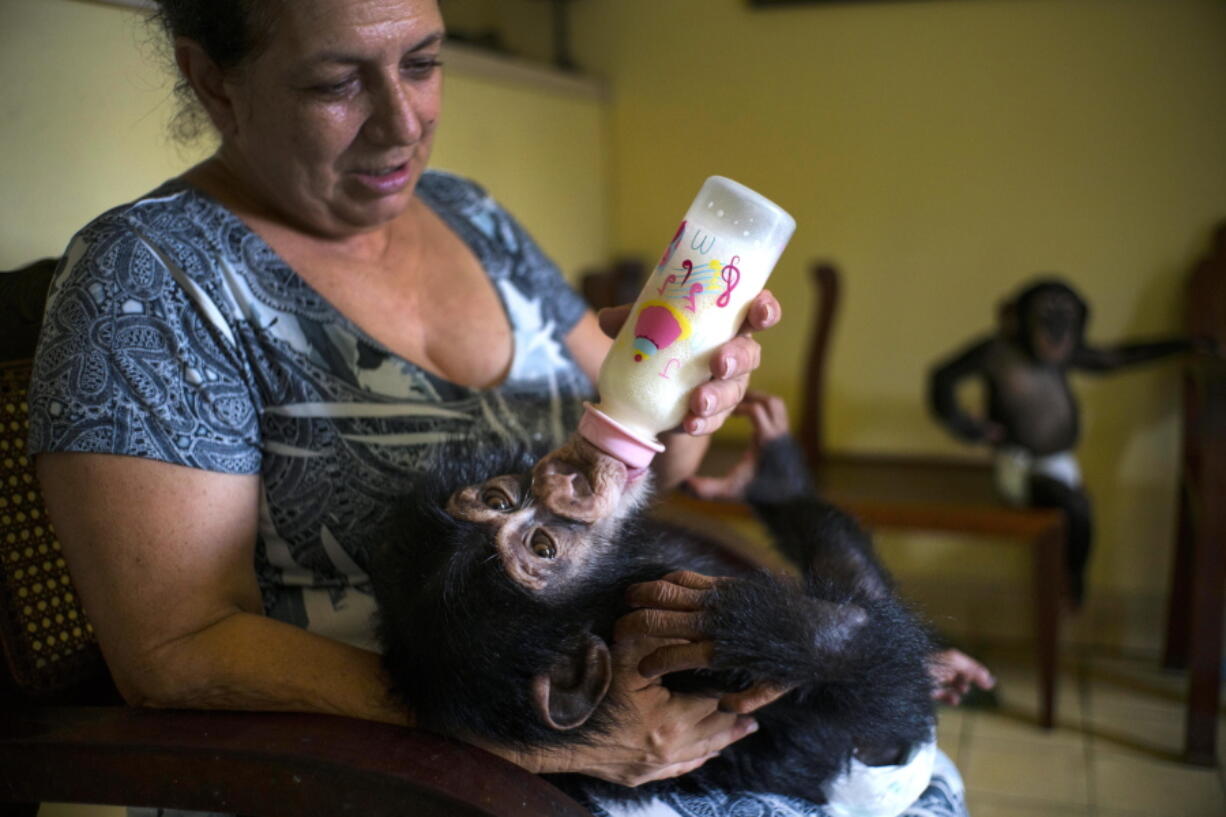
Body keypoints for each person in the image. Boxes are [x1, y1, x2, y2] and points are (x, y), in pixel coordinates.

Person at [26, 1, 973, 814]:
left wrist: (690, 400)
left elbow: (639, 461)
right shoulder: (147, 280)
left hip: (603, 712)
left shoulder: (472, 216)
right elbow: (175, 649)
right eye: (334, 83)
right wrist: (536, 732)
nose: (401, 125)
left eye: (424, 63)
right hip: (384, 774)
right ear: (214, 81)